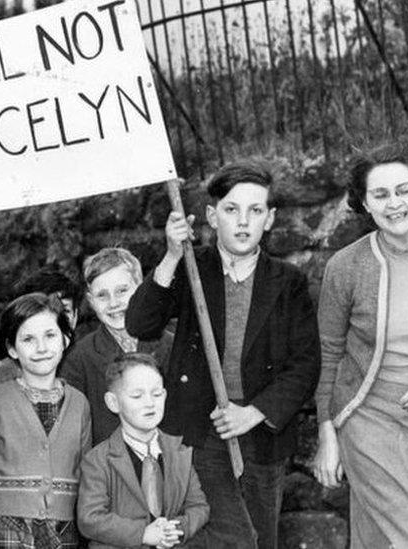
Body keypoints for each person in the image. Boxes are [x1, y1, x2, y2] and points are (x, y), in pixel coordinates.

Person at [126, 161, 320, 549]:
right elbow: (141, 323)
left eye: (256, 211)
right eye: (231, 210)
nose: (243, 222)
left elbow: (305, 365)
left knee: (259, 537)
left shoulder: (288, 282)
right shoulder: (192, 268)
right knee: (212, 536)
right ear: (213, 217)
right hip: (198, 432)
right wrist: (169, 256)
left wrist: (254, 412)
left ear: (270, 219)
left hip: (260, 433)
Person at [313, 143, 408, 548]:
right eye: (380, 195)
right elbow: (328, 356)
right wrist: (327, 433)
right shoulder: (344, 268)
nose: (394, 203)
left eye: (403, 190)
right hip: (371, 424)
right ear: (364, 203)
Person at [0, 292, 92, 548]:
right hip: (4, 529)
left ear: (65, 339)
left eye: (50, 336)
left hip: (63, 529)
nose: (41, 348)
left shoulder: (79, 404)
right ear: (12, 348)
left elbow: (85, 471)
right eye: (28, 339)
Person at [78, 353, 208, 548]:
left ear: (164, 395)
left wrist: (179, 528)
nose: (150, 403)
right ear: (113, 402)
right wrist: (142, 534)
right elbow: (90, 519)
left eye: (156, 394)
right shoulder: (97, 460)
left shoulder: (180, 450)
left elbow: (199, 507)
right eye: (137, 396)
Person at [63, 247, 170, 446]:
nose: (114, 303)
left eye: (122, 291)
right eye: (102, 295)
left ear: (140, 289)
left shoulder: (169, 345)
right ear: (91, 301)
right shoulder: (80, 359)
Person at [0, 267, 82, 405]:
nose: (55, 317)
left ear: (75, 316)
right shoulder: (4, 372)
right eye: (41, 309)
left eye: (65, 310)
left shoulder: (83, 362)